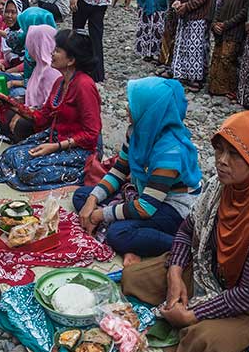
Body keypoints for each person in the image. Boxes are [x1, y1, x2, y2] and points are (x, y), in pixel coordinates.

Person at [121, 111, 249, 352]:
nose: (221, 161)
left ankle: (194, 324)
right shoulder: (222, 186)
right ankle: (186, 307)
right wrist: (175, 274)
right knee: (135, 278)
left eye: (234, 154)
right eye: (219, 150)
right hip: (213, 273)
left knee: (202, 341)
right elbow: (188, 230)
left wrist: (193, 315)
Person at [75, 77, 203, 262]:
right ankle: (134, 238)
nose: (128, 106)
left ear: (152, 110)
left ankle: (182, 246)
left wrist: (99, 214)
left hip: (172, 208)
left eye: (133, 102)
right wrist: (92, 200)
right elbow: (119, 171)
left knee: (117, 234)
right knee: (81, 196)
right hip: (145, 195)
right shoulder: (136, 131)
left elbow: (146, 208)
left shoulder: (171, 151)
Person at [0, 29, 102, 190]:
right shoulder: (60, 82)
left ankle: (80, 172)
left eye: (57, 50)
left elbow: (92, 134)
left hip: (81, 148)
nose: (52, 53)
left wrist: (56, 147)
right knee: (11, 155)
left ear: (71, 60)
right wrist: (9, 103)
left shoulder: (84, 85)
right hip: (55, 138)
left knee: (29, 171)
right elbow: (42, 117)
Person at [0, 24, 58, 141]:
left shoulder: (50, 72)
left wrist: (21, 112)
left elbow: (48, 110)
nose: (27, 46)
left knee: (20, 124)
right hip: (34, 112)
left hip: (45, 119)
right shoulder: (39, 66)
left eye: (29, 42)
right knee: (5, 111)